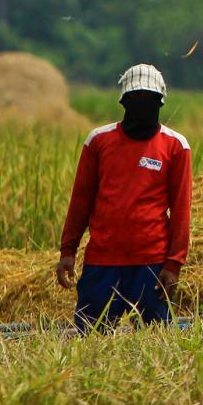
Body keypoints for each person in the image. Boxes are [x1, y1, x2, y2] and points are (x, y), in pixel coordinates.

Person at [57, 64, 192, 331]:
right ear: (124, 101)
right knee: (91, 335)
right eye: (135, 98)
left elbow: (181, 210)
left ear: (159, 102)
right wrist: (68, 251)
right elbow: (81, 200)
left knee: (156, 338)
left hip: (151, 263)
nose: (142, 104)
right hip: (102, 261)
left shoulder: (176, 145)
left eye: (149, 98)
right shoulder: (98, 141)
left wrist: (174, 264)